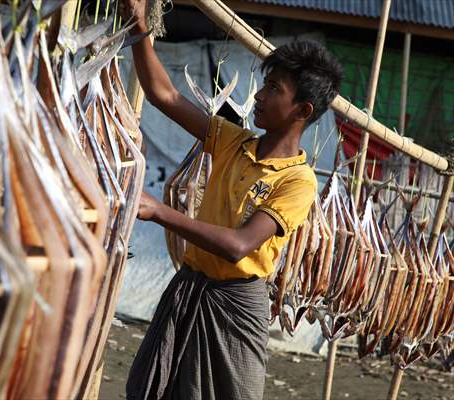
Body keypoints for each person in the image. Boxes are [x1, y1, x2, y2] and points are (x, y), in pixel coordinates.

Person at [124, 1, 343, 398]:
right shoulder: (230, 140)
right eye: (265, 84)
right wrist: (140, 27)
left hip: (236, 306)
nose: (259, 95)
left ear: (302, 110)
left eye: (275, 89)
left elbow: (238, 246)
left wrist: (158, 211)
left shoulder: (299, 180)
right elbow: (162, 95)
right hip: (188, 288)